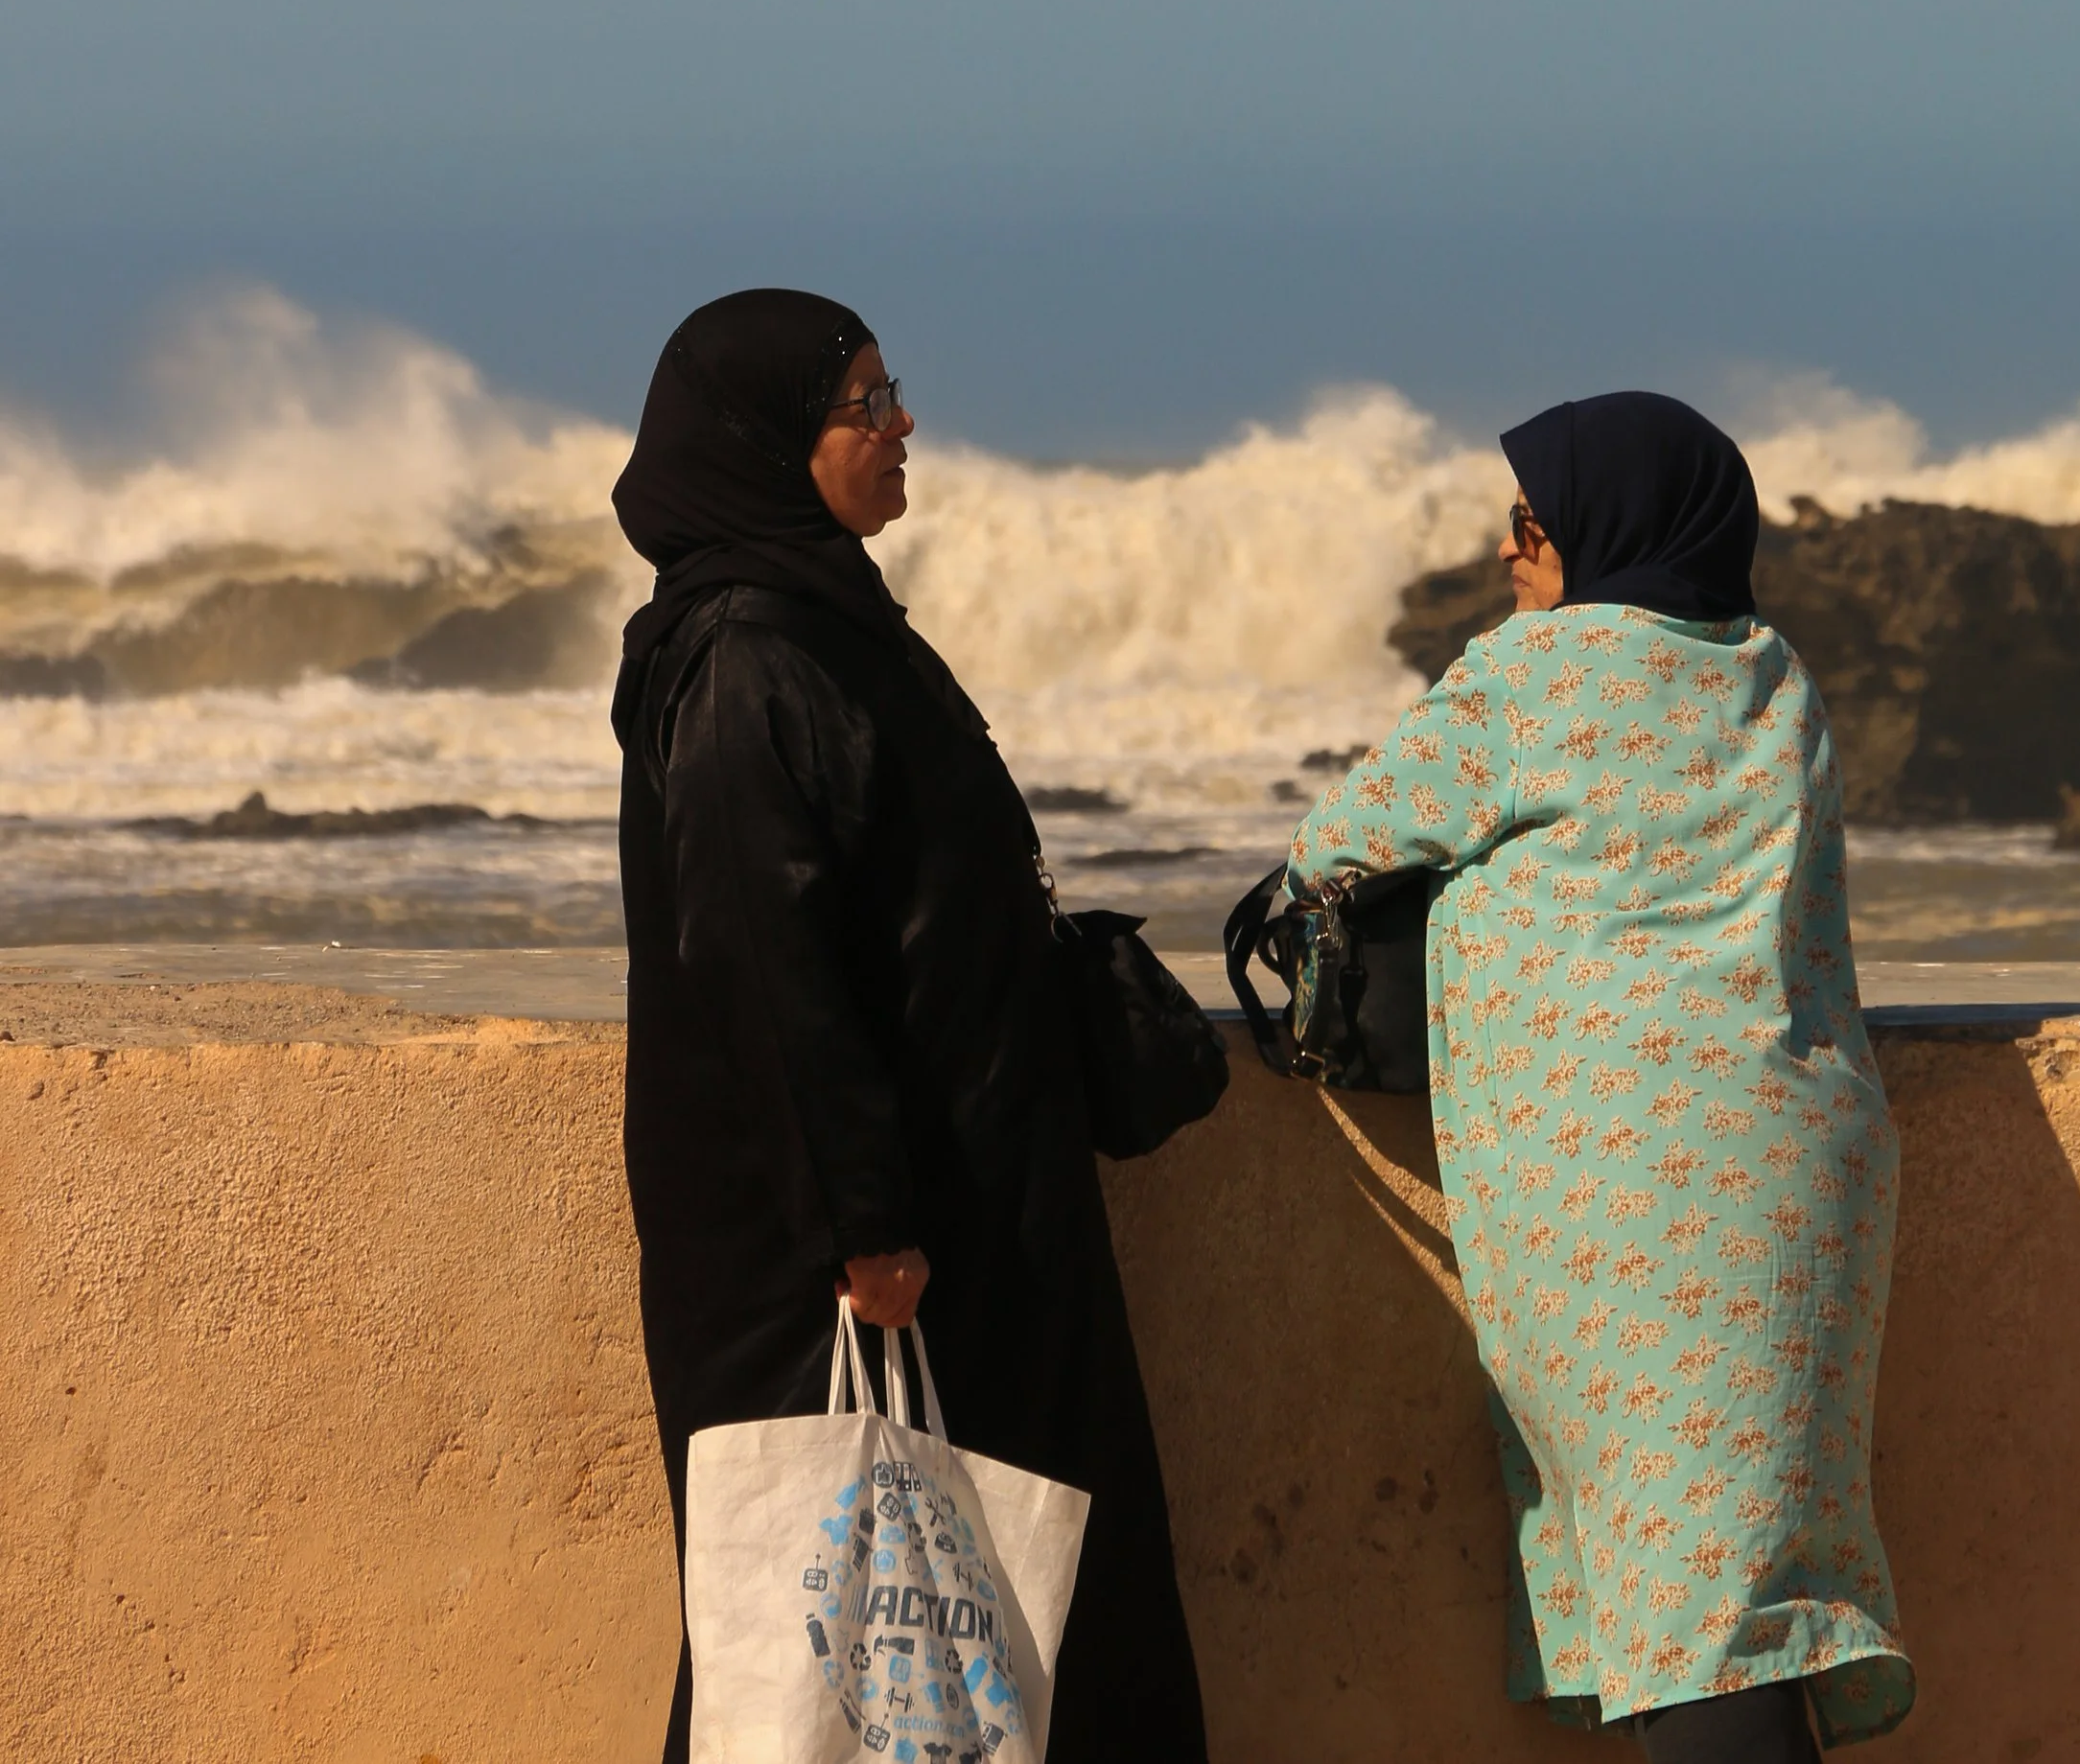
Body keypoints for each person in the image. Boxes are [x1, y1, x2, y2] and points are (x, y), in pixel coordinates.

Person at [610, 286, 1208, 1764]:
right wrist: (862, 1224)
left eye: (891, 392)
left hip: (973, 1228)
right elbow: (766, 963)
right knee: (824, 1667)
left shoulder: (830, 617)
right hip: (860, 1270)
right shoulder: (748, 651)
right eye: (864, 403)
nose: (902, 424)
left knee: (1017, 1642)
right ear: (768, 438)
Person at [1288, 390, 1914, 1756]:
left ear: (1606, 527)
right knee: (1739, 1571)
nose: (1513, 551)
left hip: (1627, 1195)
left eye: (1534, 522)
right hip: (1804, 1168)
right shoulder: (1775, 676)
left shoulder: (1531, 678)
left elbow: (1332, 845)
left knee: (1689, 1601)